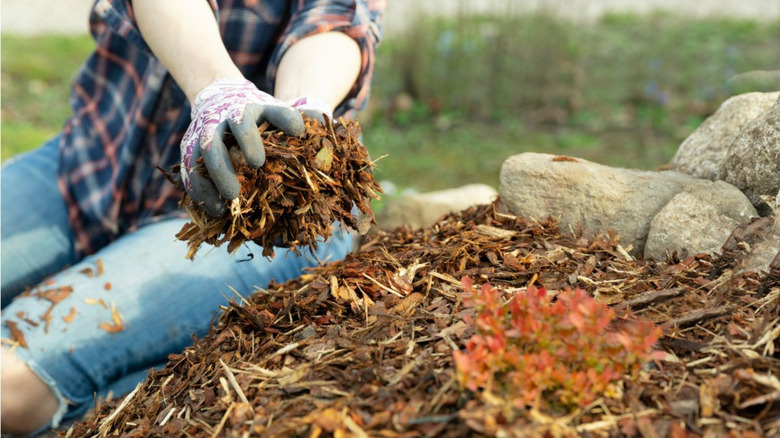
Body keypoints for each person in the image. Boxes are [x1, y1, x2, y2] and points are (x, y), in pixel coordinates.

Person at [0, 0, 384, 435]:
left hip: (250, 221)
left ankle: (147, 391)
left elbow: (335, 20)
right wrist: (218, 90)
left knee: (10, 387)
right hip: (94, 160)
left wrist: (303, 108)